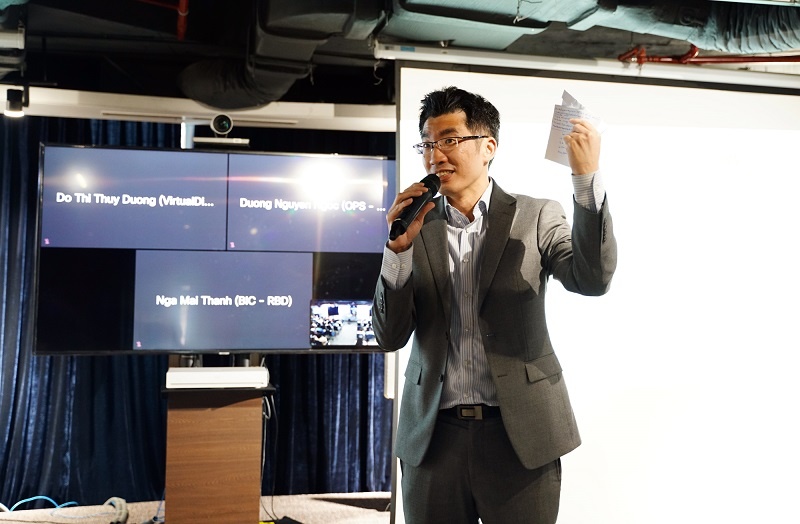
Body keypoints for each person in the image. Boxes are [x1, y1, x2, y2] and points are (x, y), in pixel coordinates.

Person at [372, 86, 617, 524]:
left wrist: (586, 180)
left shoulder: (536, 216)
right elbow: (389, 336)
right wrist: (398, 251)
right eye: (427, 144)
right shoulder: (416, 225)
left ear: (488, 147)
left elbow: (591, 279)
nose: (435, 156)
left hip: (520, 436)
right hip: (434, 437)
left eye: (449, 140)